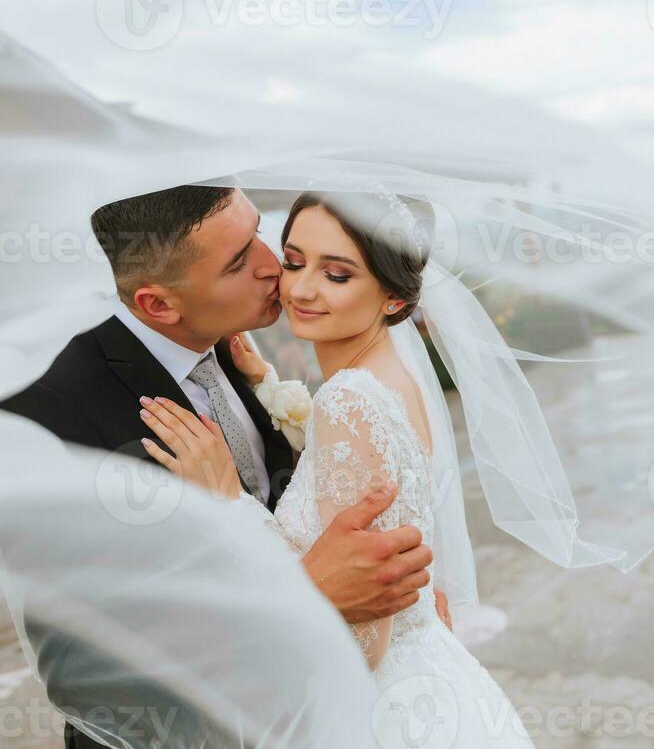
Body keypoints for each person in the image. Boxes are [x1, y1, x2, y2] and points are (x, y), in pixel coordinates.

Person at [0, 184, 440, 749]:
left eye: (258, 230)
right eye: (238, 261)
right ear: (158, 304)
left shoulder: (231, 346)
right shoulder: (46, 411)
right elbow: (87, 665)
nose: (272, 265)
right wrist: (312, 593)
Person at [141, 190, 536, 748]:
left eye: (338, 275)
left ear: (394, 299)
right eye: (294, 261)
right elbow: (344, 470)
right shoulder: (386, 383)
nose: (300, 288)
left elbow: (362, 642)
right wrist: (269, 388)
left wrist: (231, 501)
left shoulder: (351, 401)